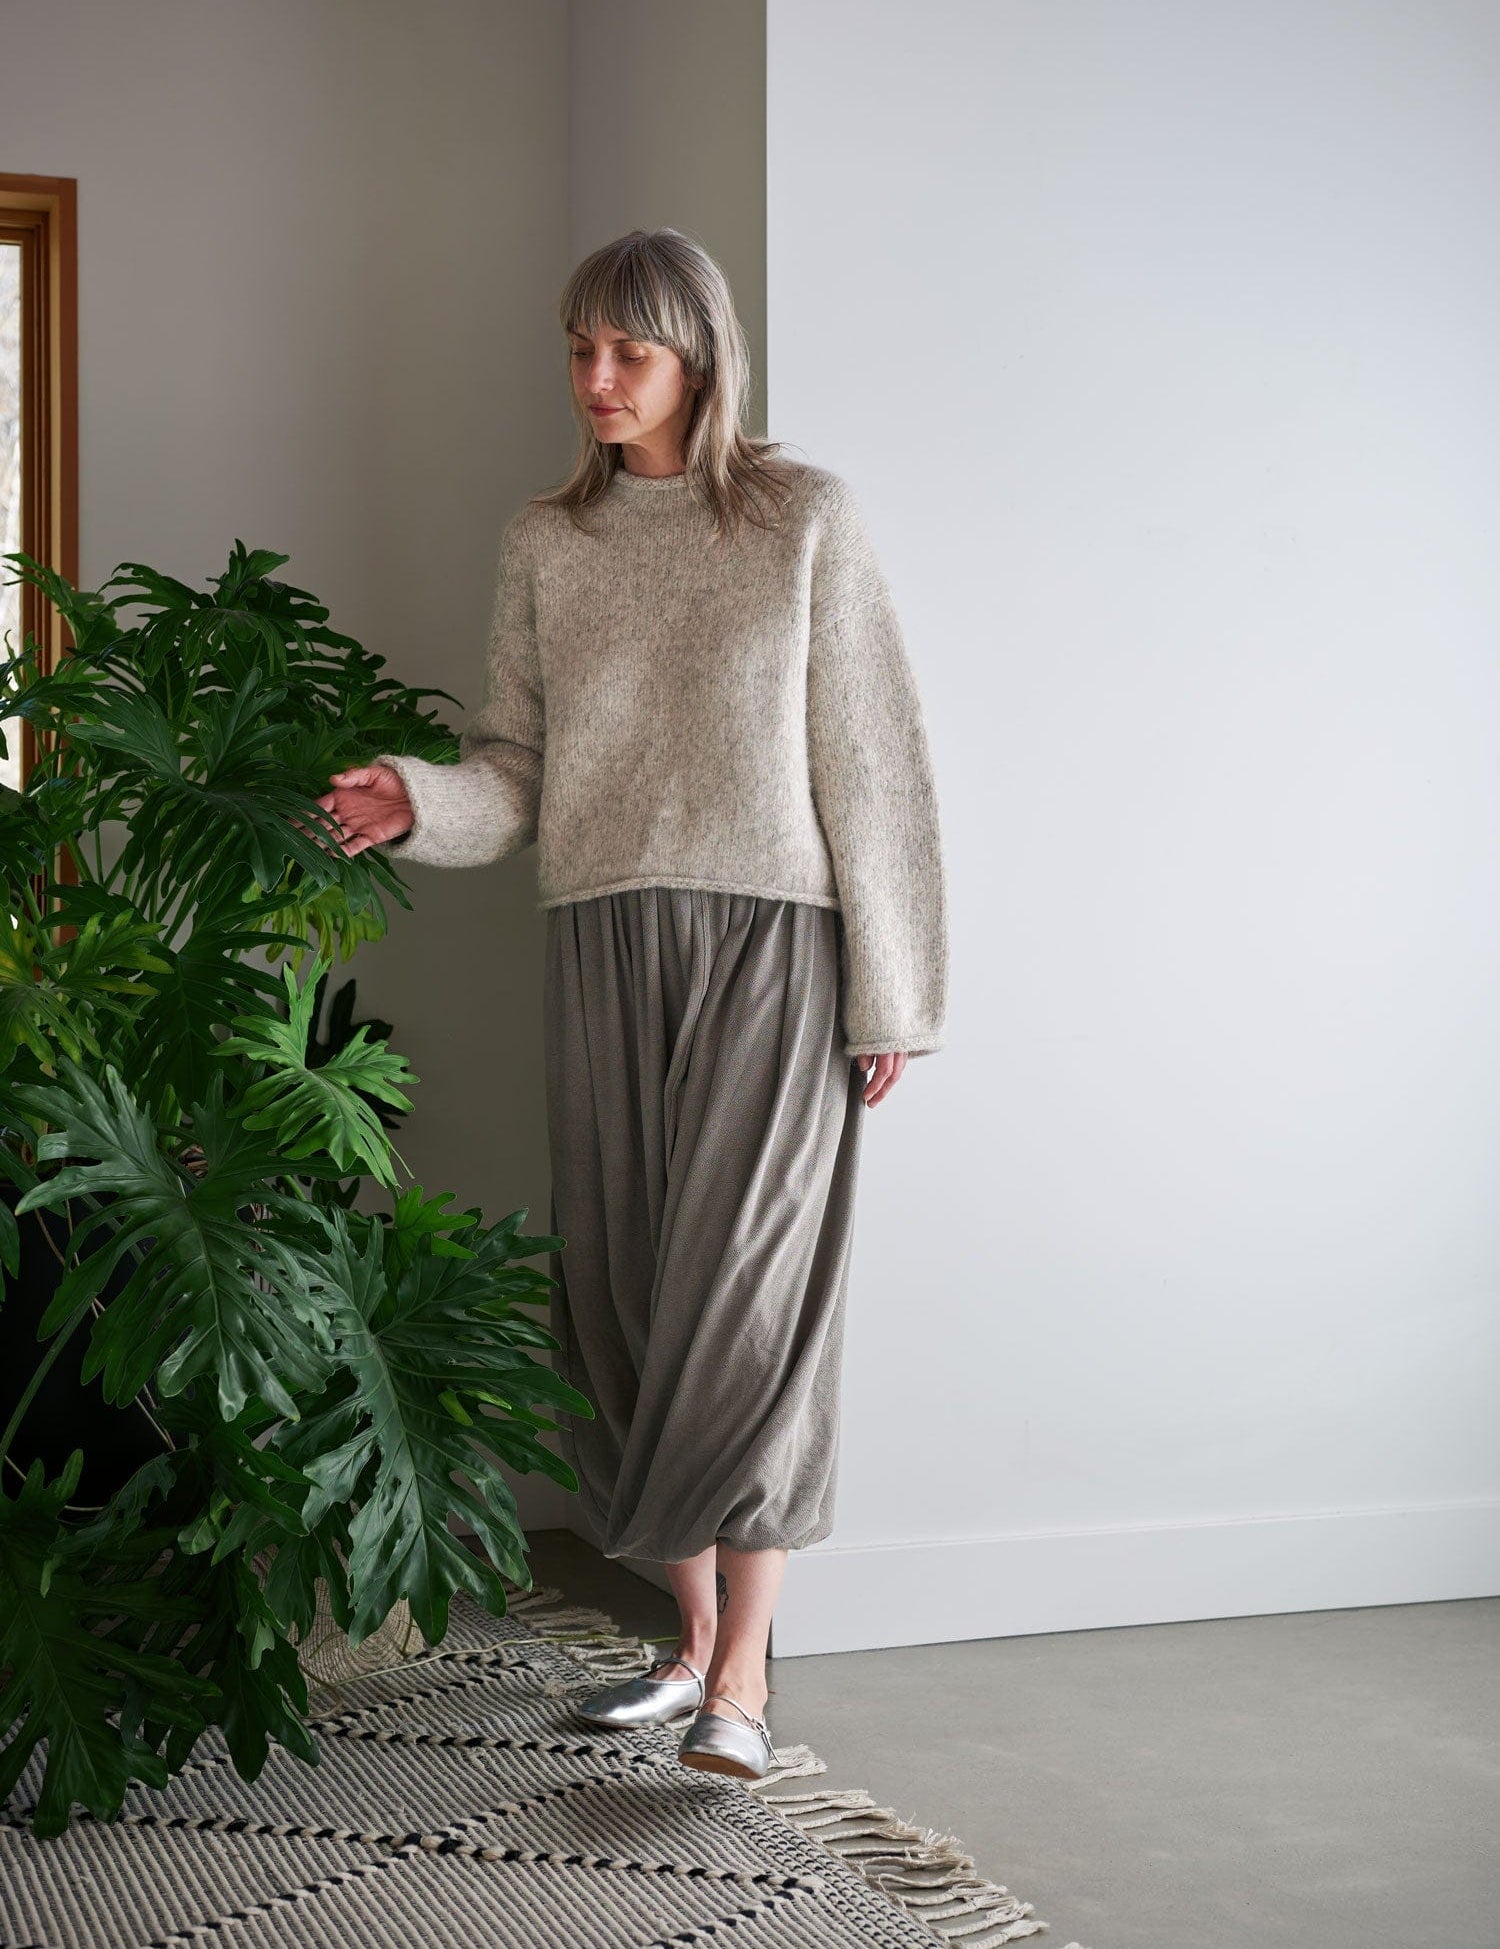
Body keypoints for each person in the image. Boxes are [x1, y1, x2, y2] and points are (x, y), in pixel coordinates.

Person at [316, 227, 948, 1781]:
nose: (598, 382)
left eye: (630, 353)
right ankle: (685, 1642)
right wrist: (420, 796)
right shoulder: (550, 541)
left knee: (745, 1313)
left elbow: (872, 763)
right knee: (622, 1309)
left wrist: (894, 991)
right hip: (600, 941)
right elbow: (516, 770)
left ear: (700, 358)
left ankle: (744, 1670)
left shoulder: (804, 519)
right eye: (581, 352)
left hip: (772, 950)